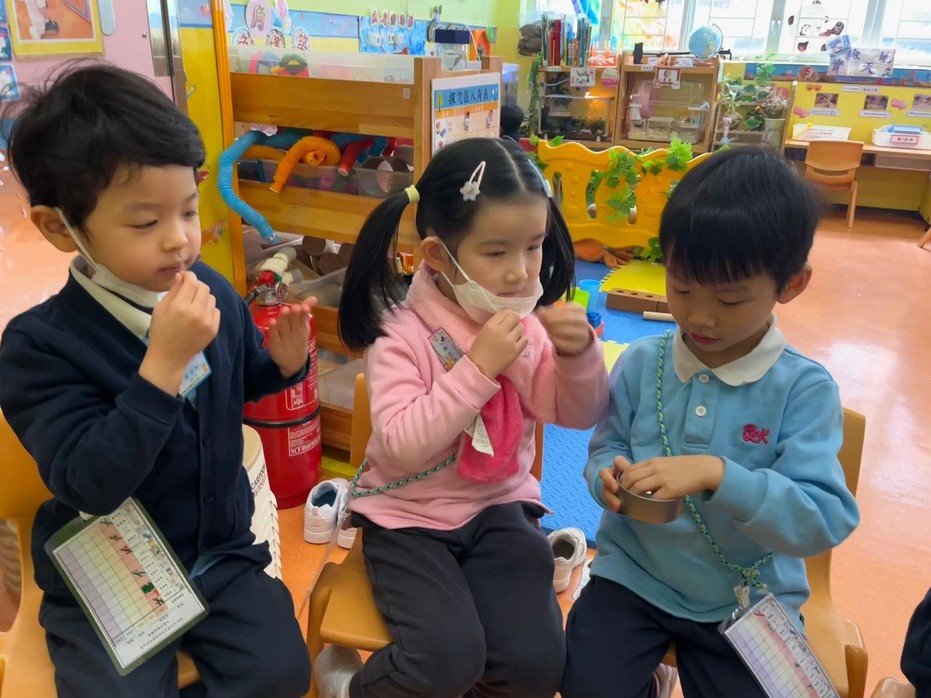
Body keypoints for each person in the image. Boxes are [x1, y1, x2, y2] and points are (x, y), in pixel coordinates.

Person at [0, 64, 312, 697]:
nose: (180, 241)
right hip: (110, 559)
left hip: (219, 551)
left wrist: (281, 365)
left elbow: (236, 385)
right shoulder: (39, 346)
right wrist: (161, 369)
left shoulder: (209, 291)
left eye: (189, 210)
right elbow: (89, 482)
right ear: (60, 227)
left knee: (281, 672)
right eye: (146, 223)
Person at [315, 137, 609, 698]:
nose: (521, 274)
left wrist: (578, 356)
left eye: (534, 247)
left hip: (498, 508)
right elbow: (402, 443)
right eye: (496, 253)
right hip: (407, 518)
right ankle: (349, 687)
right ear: (436, 256)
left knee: (538, 665)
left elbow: (576, 413)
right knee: (446, 657)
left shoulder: (523, 324)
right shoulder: (400, 335)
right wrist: (477, 369)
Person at [562, 147, 860, 698]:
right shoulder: (641, 362)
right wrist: (606, 479)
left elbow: (823, 518)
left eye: (729, 299)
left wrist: (720, 474)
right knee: (584, 683)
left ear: (791, 285)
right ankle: (654, 680)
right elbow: (605, 447)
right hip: (636, 572)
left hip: (746, 591)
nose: (699, 315)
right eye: (681, 288)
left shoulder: (802, 390)